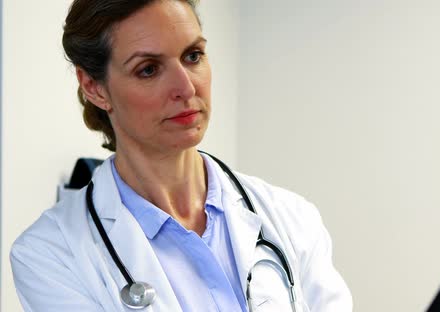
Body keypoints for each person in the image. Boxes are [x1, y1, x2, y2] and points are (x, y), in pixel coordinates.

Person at [9, 0, 353, 311]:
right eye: (148, 69)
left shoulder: (292, 219)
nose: (186, 88)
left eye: (193, 56)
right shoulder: (51, 253)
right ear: (95, 88)